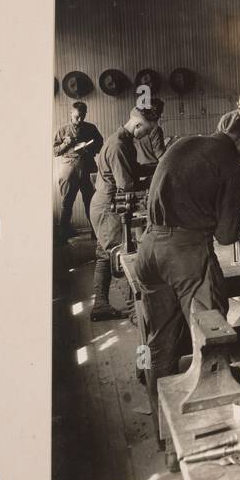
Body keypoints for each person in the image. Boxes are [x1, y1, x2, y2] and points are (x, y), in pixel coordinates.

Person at [133, 115, 240, 431]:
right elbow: (225, 236)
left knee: (161, 344)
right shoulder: (231, 166)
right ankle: (211, 430)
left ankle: (165, 437)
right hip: (185, 253)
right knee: (210, 340)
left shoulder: (185, 140)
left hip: (150, 247)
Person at [88, 103, 162, 320]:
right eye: (146, 131)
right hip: (108, 207)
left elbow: (132, 169)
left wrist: (156, 166)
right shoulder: (119, 145)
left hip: (103, 203)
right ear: (137, 124)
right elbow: (126, 184)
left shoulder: (125, 140)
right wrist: (154, 180)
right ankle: (135, 314)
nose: (146, 135)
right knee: (121, 258)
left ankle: (100, 305)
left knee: (105, 254)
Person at [53, 101, 103, 240]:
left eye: (83, 116)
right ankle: (62, 236)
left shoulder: (91, 128)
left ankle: (96, 234)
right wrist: (64, 144)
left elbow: (100, 145)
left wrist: (88, 148)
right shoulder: (62, 130)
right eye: (77, 117)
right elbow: (54, 151)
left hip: (88, 167)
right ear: (71, 113)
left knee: (92, 202)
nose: (80, 120)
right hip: (70, 168)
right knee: (67, 203)